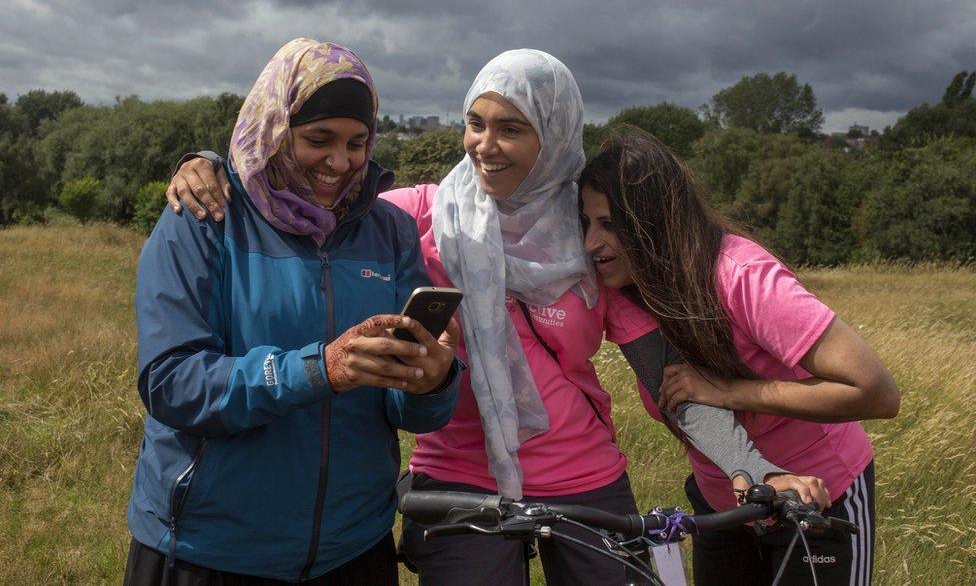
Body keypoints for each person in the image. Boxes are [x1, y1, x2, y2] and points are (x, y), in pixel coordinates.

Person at [165, 50, 826, 585]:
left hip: (585, 475)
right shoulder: (420, 212)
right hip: (456, 476)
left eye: (512, 127)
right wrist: (210, 166)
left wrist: (753, 464)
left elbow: (667, 380)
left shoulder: (592, 233)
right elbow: (302, 195)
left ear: (557, 131)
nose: (486, 145)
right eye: (475, 122)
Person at [125, 38, 463, 585]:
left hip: (354, 546)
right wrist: (319, 369)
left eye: (357, 142)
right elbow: (172, 383)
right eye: (318, 139)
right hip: (210, 549)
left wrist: (433, 382)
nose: (340, 162)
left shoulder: (390, 230)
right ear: (276, 127)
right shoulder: (204, 218)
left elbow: (405, 411)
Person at [578, 129, 901, 585]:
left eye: (609, 224)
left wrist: (731, 391)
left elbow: (877, 394)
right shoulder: (627, 292)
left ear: (654, 221)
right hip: (726, 504)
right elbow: (680, 396)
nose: (591, 243)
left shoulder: (743, 278)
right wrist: (750, 470)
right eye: (586, 223)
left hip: (817, 500)